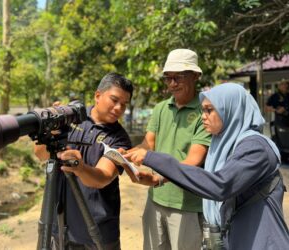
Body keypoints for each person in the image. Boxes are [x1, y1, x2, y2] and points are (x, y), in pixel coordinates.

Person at [124, 83, 289, 250]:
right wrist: (157, 179)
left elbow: (219, 185)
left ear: (230, 109)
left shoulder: (256, 148)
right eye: (202, 110)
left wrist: (153, 158)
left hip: (262, 242)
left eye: (209, 110)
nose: (203, 116)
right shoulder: (222, 145)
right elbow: (205, 182)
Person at [34, 72, 133, 250]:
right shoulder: (69, 117)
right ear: (97, 96)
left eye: (124, 104)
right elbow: (40, 154)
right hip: (60, 224)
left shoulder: (120, 139)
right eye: (114, 100)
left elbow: (102, 178)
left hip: (98, 231)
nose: (119, 108)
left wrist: (80, 168)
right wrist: (49, 131)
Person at [129, 48, 211, 250]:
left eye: (179, 77)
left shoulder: (206, 110)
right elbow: (148, 144)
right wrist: (125, 154)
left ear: (195, 76)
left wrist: (159, 179)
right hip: (155, 200)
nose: (172, 84)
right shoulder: (161, 108)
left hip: (188, 204)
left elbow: (194, 160)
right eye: (168, 78)